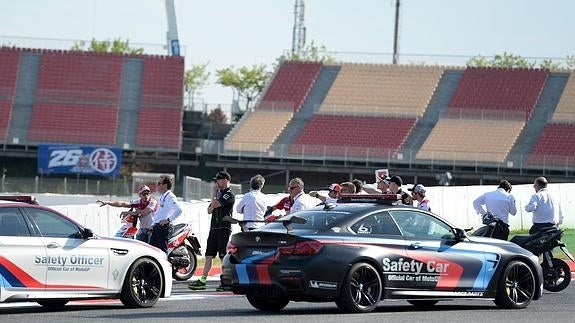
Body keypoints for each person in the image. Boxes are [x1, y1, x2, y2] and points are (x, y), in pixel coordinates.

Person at [189, 171, 235, 291]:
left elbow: (214, 204)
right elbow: (209, 210)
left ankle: (226, 281)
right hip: (213, 228)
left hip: (223, 228)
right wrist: (214, 198)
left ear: (225, 180)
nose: (216, 183)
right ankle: (203, 279)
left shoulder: (228, 194)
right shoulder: (219, 194)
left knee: (222, 255)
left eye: (218, 180)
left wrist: (214, 193)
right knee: (209, 255)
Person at [149, 175, 182, 253]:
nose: (157, 185)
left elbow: (179, 210)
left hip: (164, 228)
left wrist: (168, 220)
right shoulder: (162, 196)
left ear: (165, 185)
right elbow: (159, 213)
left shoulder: (170, 197)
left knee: (162, 251)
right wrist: (153, 225)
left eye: (159, 183)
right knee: (152, 251)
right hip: (157, 227)